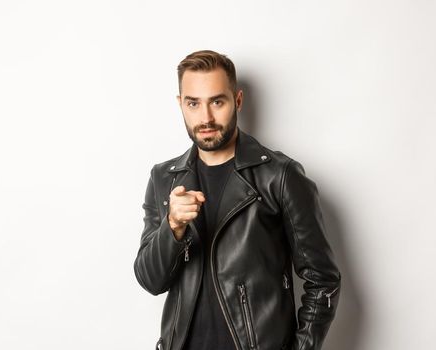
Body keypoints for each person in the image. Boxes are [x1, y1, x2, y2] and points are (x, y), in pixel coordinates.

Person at [133, 50, 341, 350]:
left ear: (237, 101)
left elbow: (323, 281)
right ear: (181, 104)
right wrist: (173, 226)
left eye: (217, 101)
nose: (205, 117)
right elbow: (151, 280)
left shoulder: (279, 176)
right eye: (193, 103)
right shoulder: (164, 178)